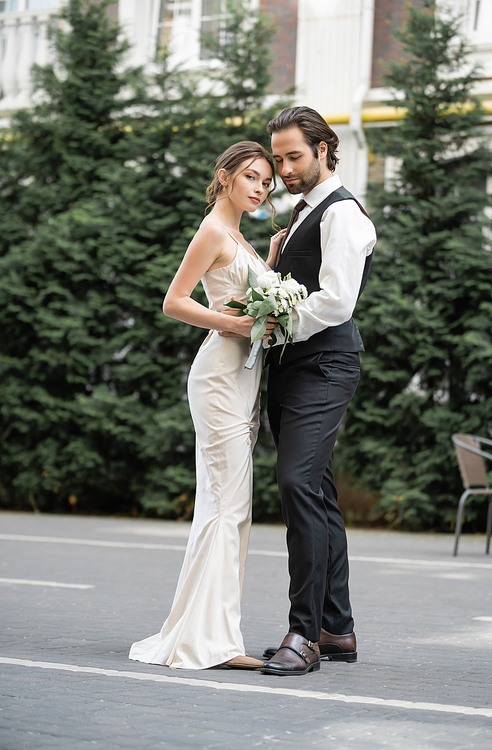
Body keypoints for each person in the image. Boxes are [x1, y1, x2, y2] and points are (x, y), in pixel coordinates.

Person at [129, 141, 281, 670]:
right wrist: (234, 323)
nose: (262, 187)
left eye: (266, 181)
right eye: (252, 177)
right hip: (218, 376)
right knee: (226, 505)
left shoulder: (241, 235)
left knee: (232, 510)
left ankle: (214, 632)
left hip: (243, 379)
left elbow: (248, 292)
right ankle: (214, 643)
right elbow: (175, 300)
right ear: (225, 176)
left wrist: (274, 264)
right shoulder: (214, 230)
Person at [260, 106, 377, 676]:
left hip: (324, 365)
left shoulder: (343, 214)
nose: (284, 168)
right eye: (278, 158)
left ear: (324, 149)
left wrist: (275, 323)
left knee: (296, 481)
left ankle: (303, 634)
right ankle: (337, 628)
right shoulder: (300, 216)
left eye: (294, 157)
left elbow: (335, 301)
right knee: (320, 493)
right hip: (292, 368)